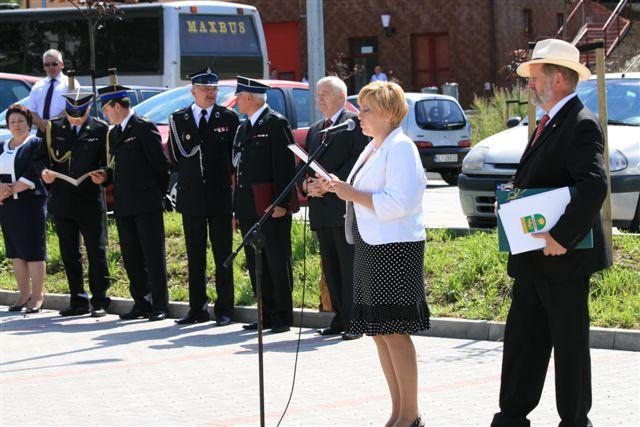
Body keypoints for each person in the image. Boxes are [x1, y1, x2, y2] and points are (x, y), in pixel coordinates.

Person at [490, 39, 612, 427]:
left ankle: (575, 421)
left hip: (563, 259)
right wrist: (509, 200)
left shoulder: (580, 122)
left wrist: (561, 236)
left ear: (557, 78)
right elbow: (543, 179)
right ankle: (512, 415)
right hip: (533, 260)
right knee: (523, 342)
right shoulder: (551, 121)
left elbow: (593, 185)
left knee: (569, 346)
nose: (528, 84)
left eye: (535, 76)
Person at [319, 81, 429, 427]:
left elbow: (400, 202)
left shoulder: (401, 148)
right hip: (371, 244)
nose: (360, 115)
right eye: (360, 107)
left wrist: (348, 192)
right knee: (380, 331)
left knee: (395, 330)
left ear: (388, 113)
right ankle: (397, 413)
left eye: (367, 109)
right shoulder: (374, 147)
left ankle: (410, 415)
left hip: (395, 248)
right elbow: (364, 192)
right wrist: (336, 187)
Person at [93, 81, 171, 322]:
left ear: (116, 106)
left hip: (146, 202)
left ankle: (159, 304)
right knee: (132, 256)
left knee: (153, 256)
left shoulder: (143, 127)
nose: (104, 114)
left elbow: (160, 166)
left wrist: (156, 194)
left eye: (105, 109)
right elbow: (119, 168)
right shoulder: (114, 133)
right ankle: (141, 302)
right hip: (124, 202)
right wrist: (106, 177)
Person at [168, 68, 239, 326]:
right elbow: (176, 158)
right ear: (193, 91)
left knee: (223, 255)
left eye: (214, 89)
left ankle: (224, 309)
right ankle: (196, 308)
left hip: (219, 196)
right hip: (192, 197)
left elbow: (234, 162)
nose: (211, 94)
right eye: (205, 89)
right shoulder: (178, 119)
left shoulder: (228, 118)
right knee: (195, 255)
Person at [301, 76, 368, 340]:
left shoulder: (352, 126)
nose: (320, 99)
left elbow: (357, 163)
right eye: (317, 94)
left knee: (348, 267)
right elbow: (305, 165)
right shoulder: (316, 129)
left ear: (341, 96)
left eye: (325, 94)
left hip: (343, 209)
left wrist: (331, 183)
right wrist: (308, 186)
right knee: (330, 267)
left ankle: (356, 322)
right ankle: (340, 317)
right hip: (321, 210)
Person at [232, 76, 296, 334]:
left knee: (277, 261)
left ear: (249, 97)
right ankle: (266, 313)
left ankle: (282, 316)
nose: (236, 101)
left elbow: (284, 167)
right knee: (256, 262)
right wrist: (237, 211)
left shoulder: (275, 123)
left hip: (271, 206)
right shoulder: (243, 127)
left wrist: (281, 202)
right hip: (249, 207)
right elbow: (239, 171)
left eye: (238, 96)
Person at [40, 88, 111, 318]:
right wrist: (45, 175)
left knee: (96, 251)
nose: (76, 118)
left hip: (90, 199)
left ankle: (100, 299)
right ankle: (77, 299)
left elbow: (108, 162)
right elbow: (43, 159)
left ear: (88, 109)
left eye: (80, 114)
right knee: (69, 252)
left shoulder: (99, 129)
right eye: (72, 114)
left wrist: (105, 175)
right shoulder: (54, 128)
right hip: (63, 199)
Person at [0, 105, 47, 314]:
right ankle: (23, 294)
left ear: (28, 122)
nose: (17, 125)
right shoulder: (2, 145)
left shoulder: (36, 144)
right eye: (12, 122)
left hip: (30, 203)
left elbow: (34, 172)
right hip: (8, 206)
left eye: (20, 121)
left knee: (33, 251)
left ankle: (37, 297)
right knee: (16, 251)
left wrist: (9, 189)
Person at [27, 49, 78, 132]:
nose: (51, 67)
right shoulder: (37, 86)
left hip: (63, 131)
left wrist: (52, 123)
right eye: (47, 64)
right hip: (41, 131)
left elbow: (74, 107)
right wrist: (41, 123)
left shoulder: (71, 83)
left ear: (62, 64)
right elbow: (31, 110)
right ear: (44, 67)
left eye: (54, 64)